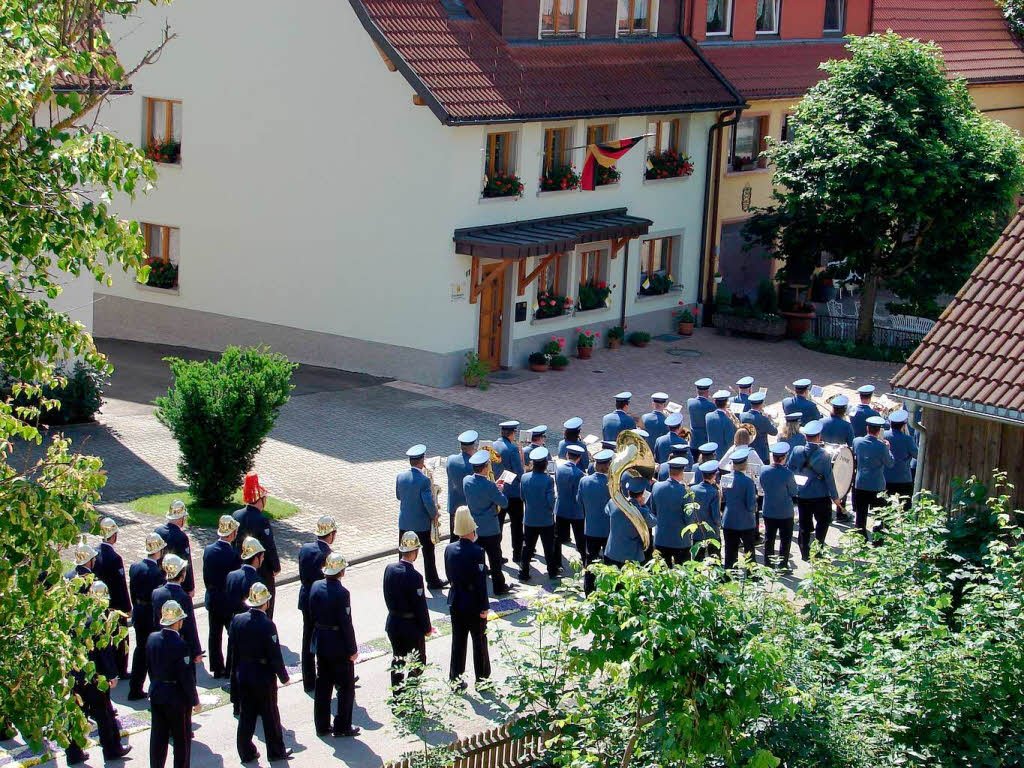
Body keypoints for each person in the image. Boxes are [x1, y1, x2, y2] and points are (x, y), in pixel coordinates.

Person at [66, 581, 131, 765]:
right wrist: (112, 674)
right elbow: (105, 652)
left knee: (77, 715)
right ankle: (112, 749)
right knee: (104, 715)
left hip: (75, 674)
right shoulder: (99, 620)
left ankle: (73, 752)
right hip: (95, 676)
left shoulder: (75, 615)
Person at [231, 583, 292, 761]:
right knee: (270, 714)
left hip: (243, 672)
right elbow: (274, 655)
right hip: (263, 675)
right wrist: (283, 676)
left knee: (246, 714)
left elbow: (234, 651)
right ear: (265, 603)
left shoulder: (237, 620)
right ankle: (275, 751)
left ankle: (246, 751)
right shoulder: (267, 625)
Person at [309, 553, 360, 739]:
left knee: (323, 685)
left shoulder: (315, 586)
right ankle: (342, 726)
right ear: (341, 571)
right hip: (338, 643)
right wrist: (353, 649)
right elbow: (346, 623)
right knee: (345, 687)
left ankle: (321, 726)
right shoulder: (342, 593)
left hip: (321, 640)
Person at [147, 600, 200, 768]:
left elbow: (150, 666)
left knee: (158, 737)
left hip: (157, 692)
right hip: (176, 697)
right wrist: (195, 700)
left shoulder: (152, 638)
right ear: (177, 622)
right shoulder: (181, 645)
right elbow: (186, 677)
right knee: (181, 740)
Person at [445, 506, 491, 689]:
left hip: (456, 601)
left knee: (458, 641)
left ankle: (455, 678)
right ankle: (482, 679)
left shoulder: (448, 549)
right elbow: (481, 582)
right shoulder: (477, 552)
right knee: (479, 642)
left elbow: (449, 575)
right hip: (473, 603)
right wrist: (484, 606)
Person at [383, 532, 432, 689]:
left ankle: (398, 696)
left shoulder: (389, 569)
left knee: (398, 660)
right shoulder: (415, 576)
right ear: (415, 552)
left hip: (393, 622)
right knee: (418, 661)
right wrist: (427, 627)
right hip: (411, 626)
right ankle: (410, 693)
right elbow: (420, 606)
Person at [788, 421, 842, 560]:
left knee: (804, 524)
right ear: (818, 437)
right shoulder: (824, 455)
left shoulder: (797, 450)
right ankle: (818, 550)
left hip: (803, 494)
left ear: (805, 437)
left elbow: (790, 469)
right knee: (823, 523)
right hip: (820, 495)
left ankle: (804, 552)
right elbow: (829, 478)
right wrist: (835, 497)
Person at [396, 444, 446, 589]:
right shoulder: (424, 480)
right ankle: (432, 580)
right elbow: (428, 502)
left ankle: (401, 580)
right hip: (422, 524)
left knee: (403, 553)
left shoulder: (400, 476)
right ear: (422, 460)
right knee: (428, 553)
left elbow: (399, 496)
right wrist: (435, 514)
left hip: (405, 522)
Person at [232, 472, 281, 618]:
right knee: (265, 606)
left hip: (241, 567)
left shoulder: (236, 515)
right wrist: (276, 567)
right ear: (260, 499)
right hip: (261, 570)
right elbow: (269, 546)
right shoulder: (262, 520)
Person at [463, 449, 511, 595]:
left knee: (478, 562)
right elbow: (503, 503)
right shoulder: (489, 486)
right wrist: (500, 490)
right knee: (495, 561)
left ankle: (478, 588)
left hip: (474, 527)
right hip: (490, 528)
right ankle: (499, 587)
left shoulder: (466, 480)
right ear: (485, 468)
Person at [298, 515, 336, 692]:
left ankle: (308, 680)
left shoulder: (305, 548)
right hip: (321, 601)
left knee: (307, 639)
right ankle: (329, 677)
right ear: (332, 534)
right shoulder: (328, 555)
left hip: (305, 597)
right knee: (325, 641)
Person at [127, 532, 167, 700]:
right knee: (152, 654)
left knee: (140, 651)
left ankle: (135, 687)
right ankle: (154, 687)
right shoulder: (157, 573)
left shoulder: (135, 567)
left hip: (138, 611)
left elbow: (132, 591)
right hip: (150, 615)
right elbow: (157, 598)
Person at [202, 515, 242, 679]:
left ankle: (217, 667)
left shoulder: (208, 550)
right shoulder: (233, 554)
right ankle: (230, 667)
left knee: (214, 634)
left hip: (213, 596)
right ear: (232, 533)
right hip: (227, 600)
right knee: (231, 634)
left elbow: (205, 576)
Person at [92, 517, 131, 678]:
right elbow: (121, 585)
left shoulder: (94, 554)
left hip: (99, 604)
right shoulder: (115, 558)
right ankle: (121, 669)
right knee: (120, 638)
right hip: (115, 606)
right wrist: (127, 607)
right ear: (113, 536)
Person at [152, 555, 203, 678]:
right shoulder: (183, 597)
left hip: (161, 643)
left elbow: (155, 621)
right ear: (182, 574)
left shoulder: (156, 593)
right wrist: (196, 651)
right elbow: (190, 626)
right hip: (180, 644)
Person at [852, 416, 895, 536]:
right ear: (879, 431)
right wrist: (888, 449)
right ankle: (877, 542)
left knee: (860, 516)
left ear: (867, 428)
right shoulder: (882, 446)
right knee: (879, 517)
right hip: (877, 485)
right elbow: (890, 463)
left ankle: (861, 540)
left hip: (860, 483)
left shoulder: (857, 441)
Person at [519, 448, 558, 582]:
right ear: (545, 464)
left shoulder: (524, 477)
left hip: (529, 518)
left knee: (528, 547)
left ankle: (523, 572)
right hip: (545, 520)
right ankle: (552, 571)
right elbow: (550, 502)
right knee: (548, 547)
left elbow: (522, 497)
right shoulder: (548, 480)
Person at [578, 448, 613, 593]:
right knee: (609, 564)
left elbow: (579, 501)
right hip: (608, 529)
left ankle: (589, 591)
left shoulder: (584, 481)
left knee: (590, 562)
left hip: (591, 528)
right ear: (608, 466)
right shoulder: (612, 484)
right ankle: (608, 591)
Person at [760, 443, 799, 569]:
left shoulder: (764, 470)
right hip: (785, 512)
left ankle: (768, 563)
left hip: (769, 510)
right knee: (785, 539)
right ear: (784, 458)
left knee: (769, 538)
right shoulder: (788, 474)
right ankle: (783, 564)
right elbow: (793, 492)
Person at [603, 476, 655, 566]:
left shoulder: (613, 502)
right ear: (642, 494)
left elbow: (606, 511)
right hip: (632, 556)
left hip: (612, 552)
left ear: (628, 491)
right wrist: (643, 505)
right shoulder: (642, 511)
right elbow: (653, 522)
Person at [494, 421, 527, 562]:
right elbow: (519, 471)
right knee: (517, 525)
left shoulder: (494, 445)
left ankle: (497, 555)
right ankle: (517, 554)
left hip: (498, 490)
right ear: (512, 434)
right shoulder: (512, 449)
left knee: (498, 525)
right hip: (513, 493)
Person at [721, 448, 758, 570]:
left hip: (729, 519)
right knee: (749, 551)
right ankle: (752, 576)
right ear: (745, 464)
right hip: (746, 522)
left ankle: (729, 575)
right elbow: (751, 505)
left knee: (730, 552)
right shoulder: (748, 482)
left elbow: (724, 498)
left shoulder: (725, 478)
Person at [652, 456, 692, 566]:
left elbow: (654, 510)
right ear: (682, 472)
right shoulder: (685, 491)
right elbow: (689, 518)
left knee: (663, 577)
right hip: (681, 541)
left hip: (661, 538)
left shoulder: (656, 486)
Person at [554, 444, 586, 567]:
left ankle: (557, 564)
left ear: (567, 455)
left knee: (557, 539)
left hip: (561, 508)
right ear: (579, 458)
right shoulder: (580, 474)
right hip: (576, 511)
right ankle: (585, 562)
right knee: (580, 539)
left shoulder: (559, 469)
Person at [155, 500, 195, 596]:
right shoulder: (181, 537)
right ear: (180, 518)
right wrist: (190, 587)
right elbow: (186, 563)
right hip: (176, 583)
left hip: (160, 581)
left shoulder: (158, 531)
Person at [446, 430, 479, 540]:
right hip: (468, 507)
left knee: (454, 538)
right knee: (470, 540)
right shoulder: (473, 464)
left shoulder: (450, 460)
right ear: (473, 446)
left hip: (454, 505)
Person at [884, 410, 917, 508]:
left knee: (885, 508)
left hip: (886, 477)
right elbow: (917, 455)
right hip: (903, 478)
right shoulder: (908, 439)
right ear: (904, 425)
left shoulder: (883, 436)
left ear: (890, 423)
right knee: (905, 507)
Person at [690, 460, 722, 560]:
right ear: (714, 476)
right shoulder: (713, 492)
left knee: (697, 560)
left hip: (697, 530)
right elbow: (715, 515)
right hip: (711, 530)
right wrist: (719, 523)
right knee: (714, 559)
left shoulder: (693, 489)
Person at [740, 391, 777, 464]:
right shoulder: (763, 419)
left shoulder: (742, 416)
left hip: (747, 450)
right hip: (761, 452)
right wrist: (770, 420)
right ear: (761, 404)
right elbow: (774, 432)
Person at [705, 390, 736, 460]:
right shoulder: (728, 420)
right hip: (724, 456)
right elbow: (730, 441)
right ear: (727, 403)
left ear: (715, 402)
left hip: (711, 453)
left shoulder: (708, 416)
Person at [687, 378, 715, 449]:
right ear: (707, 392)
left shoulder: (690, 402)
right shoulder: (711, 406)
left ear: (697, 391)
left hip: (693, 440)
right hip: (705, 441)